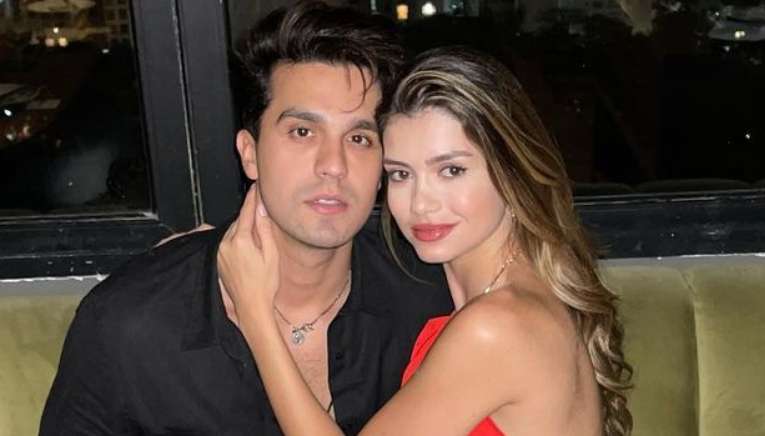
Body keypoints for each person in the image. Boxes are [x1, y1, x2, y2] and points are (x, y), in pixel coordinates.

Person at [39, 3, 453, 435]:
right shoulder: (131, 321)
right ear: (249, 153)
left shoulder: (426, 297)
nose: (334, 164)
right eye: (302, 132)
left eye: (360, 138)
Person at [218, 47, 633, 435]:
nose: (420, 203)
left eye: (451, 171)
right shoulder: (506, 296)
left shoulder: (495, 328)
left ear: (512, 174)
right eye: (401, 174)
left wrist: (255, 312)